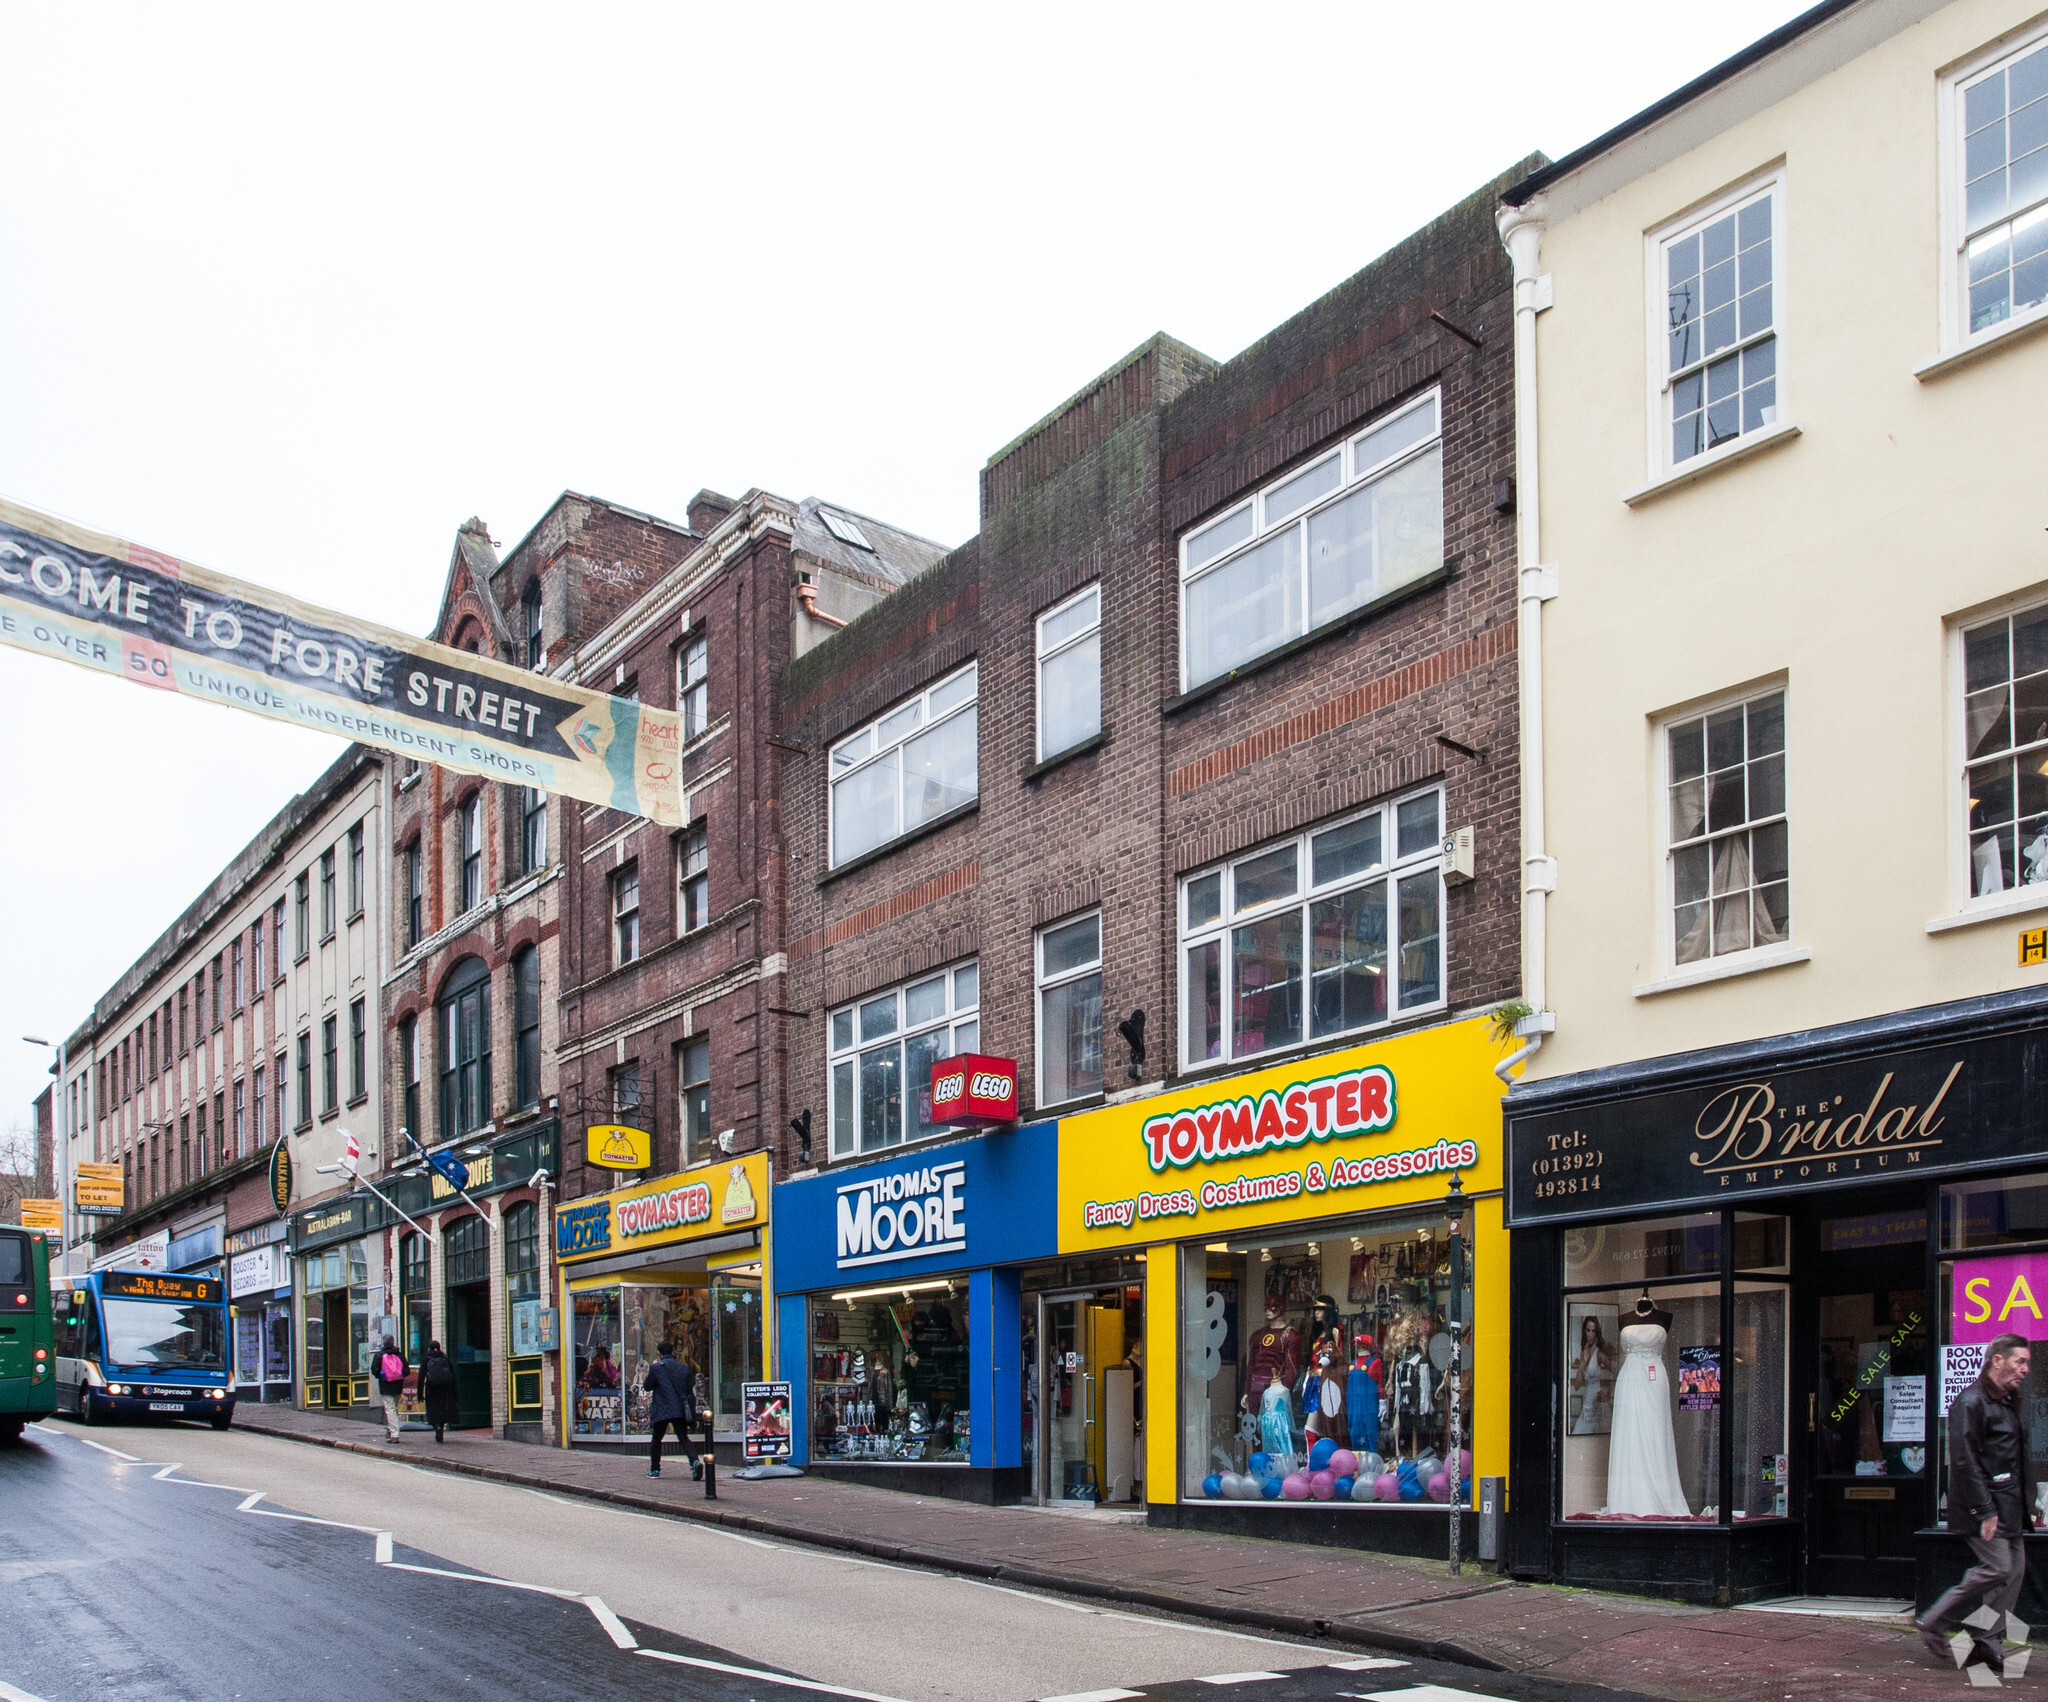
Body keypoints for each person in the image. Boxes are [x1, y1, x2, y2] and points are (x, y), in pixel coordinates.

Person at [1919, 1333, 2035, 1674]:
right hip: (1982, 1505)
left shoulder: (2007, 1399)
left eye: (2027, 1362)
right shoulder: (1970, 1402)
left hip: (2010, 1504)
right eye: (2020, 1361)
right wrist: (1985, 1511)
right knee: (1997, 1568)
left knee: (2013, 1573)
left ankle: (1987, 1642)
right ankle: (1933, 1619)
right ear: (1996, 1360)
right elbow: (1965, 1461)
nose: (2026, 1369)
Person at [642, 1338, 700, 1479]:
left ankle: (655, 1469)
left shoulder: (656, 1367)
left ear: (659, 1353)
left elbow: (647, 1386)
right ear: (672, 1352)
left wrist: (652, 1369)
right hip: (679, 1409)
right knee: (683, 1437)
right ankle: (695, 1461)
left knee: (656, 1439)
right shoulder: (683, 1367)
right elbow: (688, 1390)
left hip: (662, 1408)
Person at [420, 1339, 458, 1444]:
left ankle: (436, 1426)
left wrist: (419, 1393)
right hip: (445, 1389)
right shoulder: (445, 1359)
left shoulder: (426, 1359)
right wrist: (455, 1392)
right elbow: (453, 1376)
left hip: (431, 1389)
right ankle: (441, 1426)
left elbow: (421, 1377)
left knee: (432, 1410)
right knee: (442, 1409)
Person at [372, 1335, 409, 1443]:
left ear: (383, 1343)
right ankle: (392, 1429)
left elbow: (374, 1370)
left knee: (390, 1409)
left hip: (385, 1386)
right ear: (393, 1342)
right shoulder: (400, 1355)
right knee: (394, 1409)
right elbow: (406, 1371)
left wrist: (382, 1375)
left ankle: (394, 1434)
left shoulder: (379, 1355)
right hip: (398, 1386)